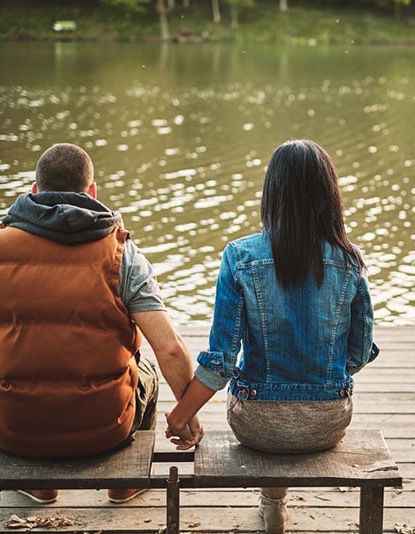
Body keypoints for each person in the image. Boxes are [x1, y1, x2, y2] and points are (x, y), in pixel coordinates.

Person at [0, 143, 203, 505]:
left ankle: (40, 486)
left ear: (34, 190)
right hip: (104, 430)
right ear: (92, 192)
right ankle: (124, 484)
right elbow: (172, 349)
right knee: (144, 367)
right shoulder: (122, 254)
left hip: (10, 430)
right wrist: (187, 413)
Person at [165, 139, 380, 533]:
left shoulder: (240, 257)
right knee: (300, 387)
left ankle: (272, 502)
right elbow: (360, 352)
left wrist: (182, 414)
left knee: (263, 391)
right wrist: (323, 371)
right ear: (328, 196)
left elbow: (222, 362)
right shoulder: (350, 260)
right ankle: (274, 504)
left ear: (272, 193)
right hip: (327, 420)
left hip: (256, 423)